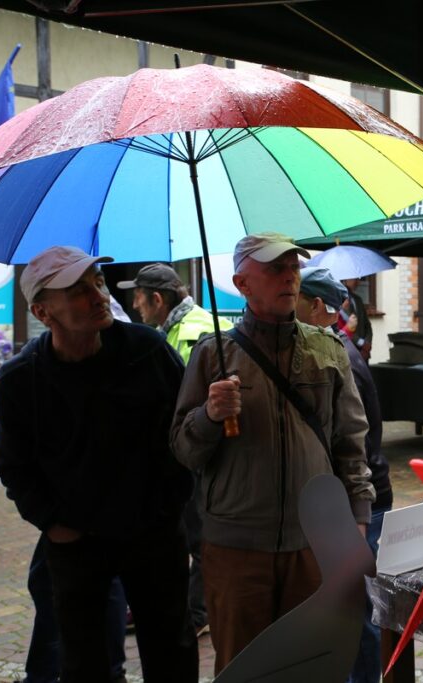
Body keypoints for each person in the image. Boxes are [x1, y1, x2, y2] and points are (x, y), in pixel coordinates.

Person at [0, 246, 197, 683]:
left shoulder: (149, 349)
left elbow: (183, 429)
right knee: (83, 660)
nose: (99, 295)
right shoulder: (19, 381)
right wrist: (53, 522)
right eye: (79, 291)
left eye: (97, 283)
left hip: (153, 533)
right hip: (77, 540)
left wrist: (170, 506)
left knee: (172, 651)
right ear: (43, 312)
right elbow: (12, 465)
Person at [170, 233, 375, 674]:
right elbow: (183, 450)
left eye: (294, 267)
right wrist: (209, 414)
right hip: (236, 549)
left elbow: (350, 444)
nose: (289, 276)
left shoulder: (328, 349)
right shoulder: (212, 356)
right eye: (274, 268)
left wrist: (357, 520)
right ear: (242, 283)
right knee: (242, 667)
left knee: (309, 666)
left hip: (314, 546)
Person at [117, 262, 228, 636]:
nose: (134, 305)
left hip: (197, 456)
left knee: (198, 538)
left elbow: (182, 400)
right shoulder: (179, 327)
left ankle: (199, 614)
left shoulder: (192, 332)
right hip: (185, 453)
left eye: (139, 297)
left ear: (158, 299)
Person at [295, 266, 392, 683]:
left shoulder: (340, 356)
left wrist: (354, 508)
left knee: (357, 610)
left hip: (359, 504)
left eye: (294, 300)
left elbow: (359, 443)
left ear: (317, 307)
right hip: (354, 500)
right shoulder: (332, 350)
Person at [340, 277, 373, 363]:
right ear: (346, 279)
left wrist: (367, 344)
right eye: (355, 279)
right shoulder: (341, 301)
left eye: (359, 279)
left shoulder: (358, 299)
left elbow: (367, 325)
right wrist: (361, 343)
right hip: (350, 351)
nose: (358, 282)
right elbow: (343, 328)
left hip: (364, 352)